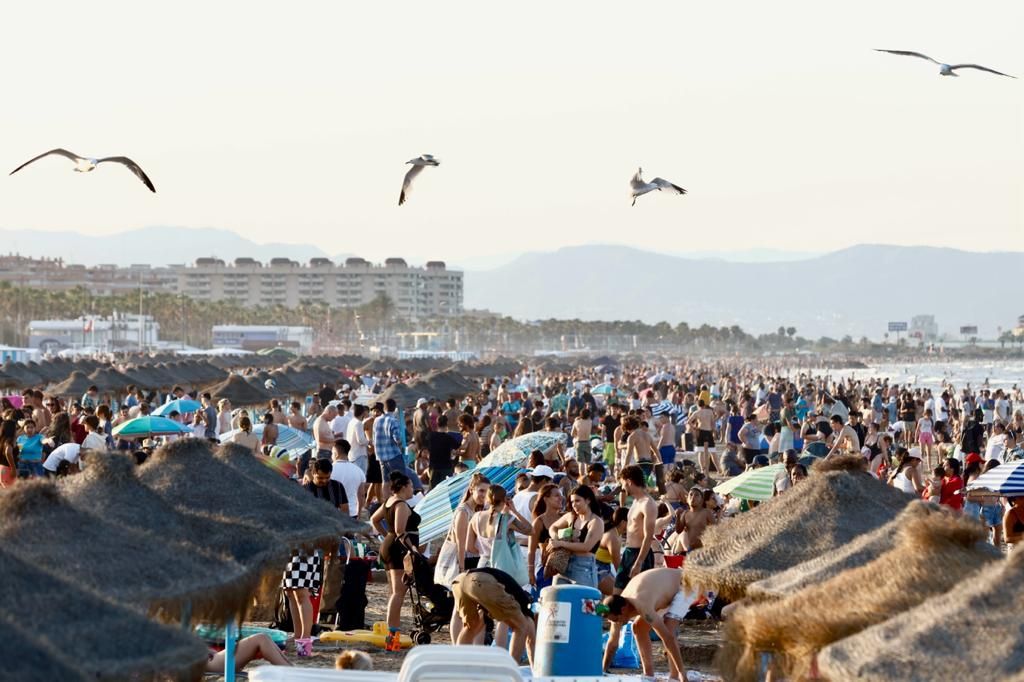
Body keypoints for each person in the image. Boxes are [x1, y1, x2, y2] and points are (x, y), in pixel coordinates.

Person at [602, 567, 689, 681]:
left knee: (669, 628)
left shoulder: (642, 605)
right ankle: (648, 675)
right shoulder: (617, 604)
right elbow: (613, 643)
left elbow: (668, 638)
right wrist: (602, 672)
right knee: (638, 627)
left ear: (623, 610)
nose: (617, 623)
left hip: (687, 583)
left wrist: (681, 672)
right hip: (663, 589)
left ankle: (678, 676)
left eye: (616, 620)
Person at [370, 471, 420, 651]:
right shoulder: (401, 504)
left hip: (389, 547)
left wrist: (386, 537)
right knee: (398, 593)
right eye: (411, 486)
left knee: (394, 592)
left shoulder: (388, 502)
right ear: (404, 487)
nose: (413, 489)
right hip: (398, 550)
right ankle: (392, 638)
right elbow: (400, 531)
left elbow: (374, 520)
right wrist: (412, 549)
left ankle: (392, 636)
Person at [452, 567, 536, 667]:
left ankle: (457, 667)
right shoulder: (526, 607)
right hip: (481, 581)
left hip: (460, 581)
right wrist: (535, 670)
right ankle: (510, 672)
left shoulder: (510, 593)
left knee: (471, 626)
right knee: (521, 626)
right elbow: (531, 641)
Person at [445, 473, 491, 642]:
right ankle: (457, 645)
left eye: (487, 492)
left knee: (475, 606)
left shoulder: (480, 511)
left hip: (474, 561)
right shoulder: (463, 511)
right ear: (472, 489)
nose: (484, 496)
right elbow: (461, 544)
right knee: (459, 608)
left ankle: (471, 645)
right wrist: (462, 569)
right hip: (462, 562)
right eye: (481, 491)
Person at [548, 485, 605, 588]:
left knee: (584, 601)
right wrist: (556, 537)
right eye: (572, 502)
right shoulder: (571, 516)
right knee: (559, 601)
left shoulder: (596, 522)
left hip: (583, 567)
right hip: (564, 564)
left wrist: (561, 543)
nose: (574, 505)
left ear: (588, 500)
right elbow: (553, 527)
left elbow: (586, 547)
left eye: (577, 501)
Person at [527, 483, 565, 589]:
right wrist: (531, 573)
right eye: (557, 495)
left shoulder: (565, 518)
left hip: (566, 569)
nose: (561, 498)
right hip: (547, 569)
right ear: (546, 499)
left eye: (561, 495)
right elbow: (531, 550)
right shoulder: (539, 522)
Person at [205, 633, 291, 673]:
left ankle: (291, 667)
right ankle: (291, 671)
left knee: (264, 637)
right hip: (214, 663)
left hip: (215, 659)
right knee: (261, 638)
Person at [330, 439, 366, 519]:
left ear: (335, 453)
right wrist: (359, 515)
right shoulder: (359, 471)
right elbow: (361, 496)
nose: (331, 456)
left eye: (332, 453)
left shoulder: (329, 470)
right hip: (352, 513)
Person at [673, 487, 714, 554]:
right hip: (691, 549)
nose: (693, 497)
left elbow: (716, 528)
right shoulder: (685, 514)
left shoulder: (706, 512)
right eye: (691, 495)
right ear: (687, 499)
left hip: (705, 548)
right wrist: (678, 516)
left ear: (701, 500)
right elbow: (678, 530)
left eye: (697, 495)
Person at [596, 507, 627, 596]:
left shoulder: (616, 532)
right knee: (620, 595)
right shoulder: (613, 537)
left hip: (604, 567)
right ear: (623, 522)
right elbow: (618, 566)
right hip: (598, 569)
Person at [0, 419, 19, 488]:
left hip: (2, 468)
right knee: (11, 493)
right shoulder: (9, 441)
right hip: (8, 469)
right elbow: (8, 452)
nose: (16, 430)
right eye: (16, 428)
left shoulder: (2, 440)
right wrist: (13, 468)